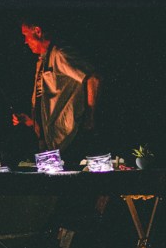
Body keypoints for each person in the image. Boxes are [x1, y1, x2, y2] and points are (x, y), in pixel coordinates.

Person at [12, 18, 101, 166]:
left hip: (68, 139)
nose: (25, 42)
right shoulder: (42, 61)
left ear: (38, 31)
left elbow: (94, 78)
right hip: (52, 145)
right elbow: (50, 102)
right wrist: (31, 121)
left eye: (25, 35)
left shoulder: (60, 54)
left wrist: (90, 117)